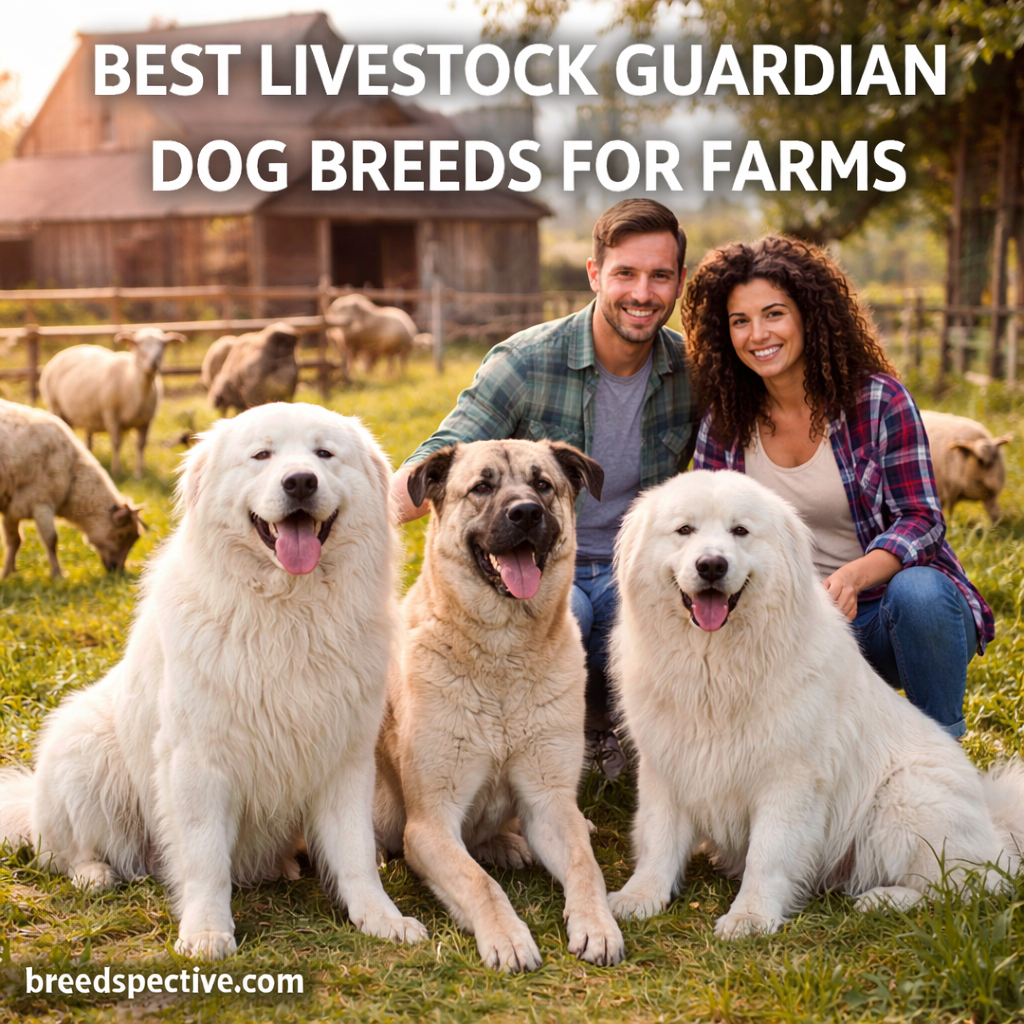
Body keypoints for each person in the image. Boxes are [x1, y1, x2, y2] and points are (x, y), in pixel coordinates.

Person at [392, 199, 700, 777]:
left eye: (660, 276)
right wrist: (340, 527)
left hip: (635, 568)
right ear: (594, 275)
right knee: (564, 615)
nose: (643, 292)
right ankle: (571, 738)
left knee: (678, 610)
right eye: (625, 274)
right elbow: (441, 454)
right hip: (539, 562)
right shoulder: (526, 363)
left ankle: (662, 741)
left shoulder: (692, 372)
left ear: (679, 282)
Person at [683, 235, 994, 738]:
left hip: (877, 614)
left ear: (808, 314)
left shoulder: (876, 401)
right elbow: (706, 529)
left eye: (774, 314)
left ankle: (944, 749)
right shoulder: (725, 421)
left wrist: (851, 579)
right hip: (776, 625)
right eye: (740, 321)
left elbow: (922, 518)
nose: (757, 334)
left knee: (921, 592)